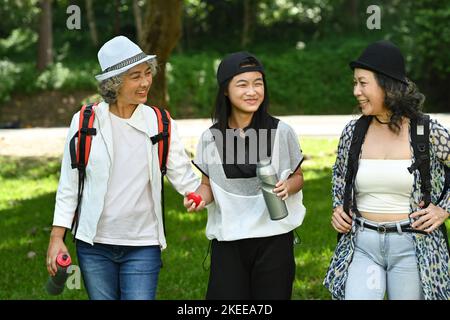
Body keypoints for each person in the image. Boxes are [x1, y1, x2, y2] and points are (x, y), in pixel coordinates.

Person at [46, 36, 200, 300]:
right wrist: (56, 237)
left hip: (143, 243)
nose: (145, 82)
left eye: (147, 73)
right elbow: (70, 183)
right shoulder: (85, 121)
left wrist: (200, 193)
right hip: (94, 244)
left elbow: (185, 177)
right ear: (114, 83)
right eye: (135, 76)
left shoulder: (161, 123)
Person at [324, 40, 450, 300]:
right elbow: (339, 176)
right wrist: (339, 207)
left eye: (363, 83)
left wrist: (444, 208)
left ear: (387, 84)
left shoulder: (426, 132)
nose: (356, 91)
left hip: (413, 247)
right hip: (362, 245)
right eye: (354, 83)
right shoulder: (353, 132)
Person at [184, 51, 306, 299]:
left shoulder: (282, 131)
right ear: (226, 90)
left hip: (274, 239)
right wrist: (198, 197)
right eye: (242, 84)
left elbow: (298, 177)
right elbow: (207, 185)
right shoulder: (210, 138)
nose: (252, 91)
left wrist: (288, 187)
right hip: (229, 240)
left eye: (258, 83)